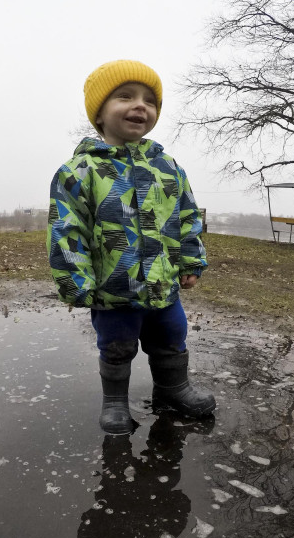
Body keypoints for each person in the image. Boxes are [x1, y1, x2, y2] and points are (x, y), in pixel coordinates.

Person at [47, 60, 215, 434]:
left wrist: (191, 258)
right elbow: (66, 229)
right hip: (113, 291)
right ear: (100, 114)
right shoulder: (79, 171)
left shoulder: (167, 167)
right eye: (125, 97)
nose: (140, 106)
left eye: (149, 100)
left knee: (172, 338)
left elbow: (187, 214)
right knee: (117, 345)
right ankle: (115, 402)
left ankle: (174, 388)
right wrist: (75, 280)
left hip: (163, 286)